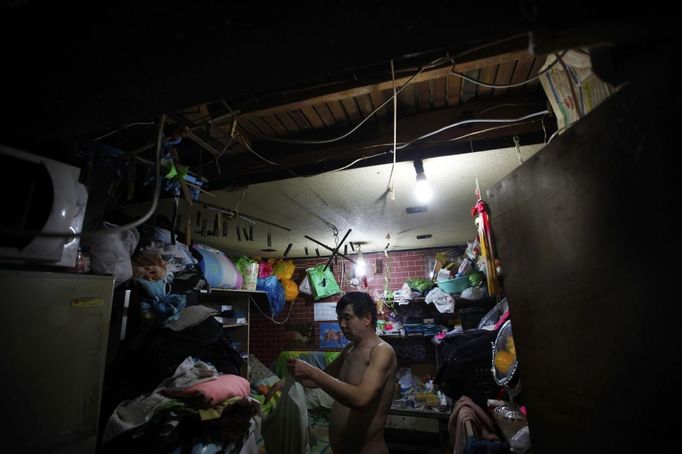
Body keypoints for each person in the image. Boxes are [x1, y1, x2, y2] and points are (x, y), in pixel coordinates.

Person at [287, 292, 397, 454]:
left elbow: (361, 398)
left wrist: (312, 372)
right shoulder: (350, 350)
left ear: (367, 318)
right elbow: (318, 380)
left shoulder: (382, 351)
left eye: (347, 317)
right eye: (340, 318)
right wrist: (288, 381)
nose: (342, 324)